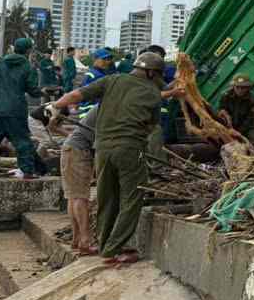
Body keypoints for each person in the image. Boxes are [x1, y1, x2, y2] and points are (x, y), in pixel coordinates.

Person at [51, 51, 167, 265]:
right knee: (131, 198)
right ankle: (115, 248)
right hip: (130, 148)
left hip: (102, 149)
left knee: (107, 197)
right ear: (152, 73)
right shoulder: (153, 92)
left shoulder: (111, 80)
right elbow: (152, 126)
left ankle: (105, 245)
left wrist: (55, 106)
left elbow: (76, 95)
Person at [0, 37, 44, 177]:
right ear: (28, 51)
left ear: (14, 48)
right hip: (15, 111)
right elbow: (32, 90)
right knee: (22, 141)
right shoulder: (28, 67)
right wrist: (43, 92)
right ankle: (27, 171)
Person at [59, 106, 98, 254]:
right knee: (80, 197)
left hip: (71, 150)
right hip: (78, 151)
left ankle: (76, 239)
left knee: (73, 196)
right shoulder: (106, 108)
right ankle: (85, 241)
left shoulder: (100, 108)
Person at [218, 75, 254, 147]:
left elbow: (250, 119)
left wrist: (238, 132)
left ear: (248, 88)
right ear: (233, 87)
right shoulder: (225, 96)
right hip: (230, 125)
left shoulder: (253, 100)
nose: (240, 90)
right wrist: (225, 118)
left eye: (243, 87)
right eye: (237, 87)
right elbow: (221, 109)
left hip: (248, 126)